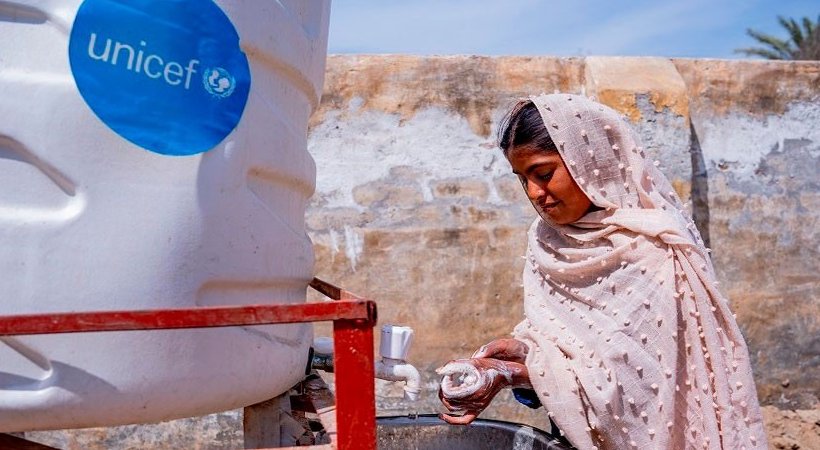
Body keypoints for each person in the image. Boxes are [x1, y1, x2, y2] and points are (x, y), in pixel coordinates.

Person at [437, 94, 767, 449]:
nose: (534, 192)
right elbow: (573, 349)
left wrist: (514, 375)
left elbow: (639, 393)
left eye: (544, 174)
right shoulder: (548, 242)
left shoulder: (654, 250)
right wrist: (521, 351)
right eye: (522, 179)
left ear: (588, 162)